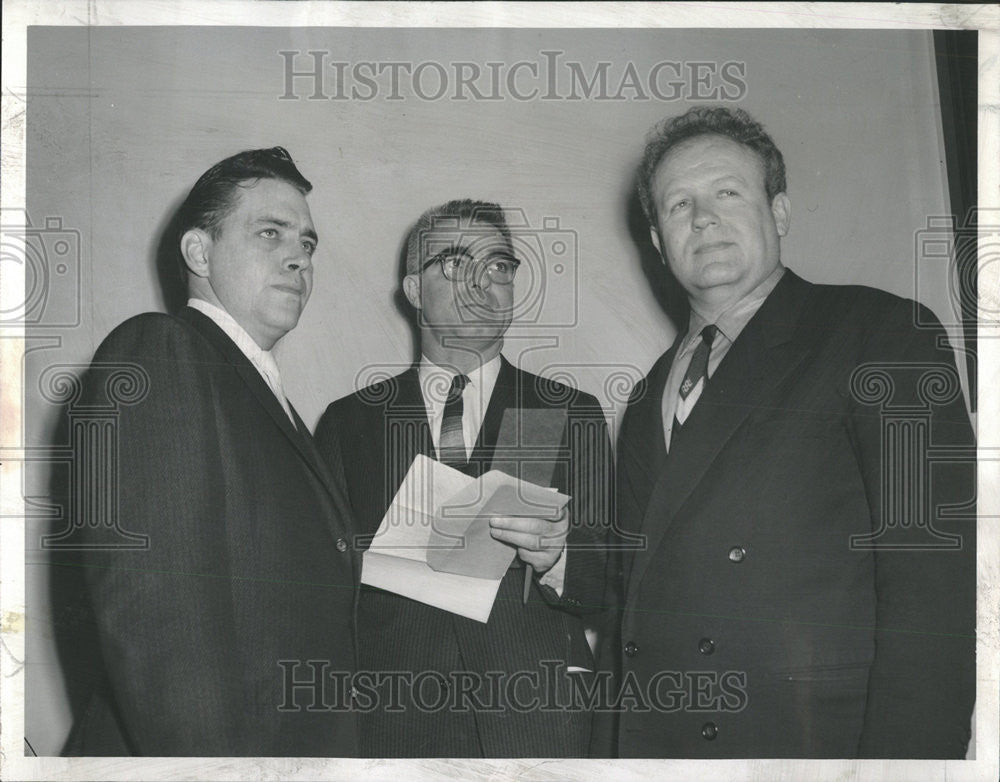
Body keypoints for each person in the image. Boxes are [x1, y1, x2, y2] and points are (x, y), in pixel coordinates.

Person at [613, 107, 976, 758]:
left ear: (779, 213)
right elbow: (642, 583)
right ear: (658, 240)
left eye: (727, 192)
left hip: (816, 741)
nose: (703, 218)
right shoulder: (647, 397)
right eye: (678, 205)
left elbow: (933, 587)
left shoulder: (880, 333)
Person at [60, 147, 358, 756]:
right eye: (269, 232)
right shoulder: (160, 352)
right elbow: (158, 625)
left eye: (308, 242)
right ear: (199, 252)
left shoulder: (267, 399)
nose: (298, 256)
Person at [313, 199, 613, 757]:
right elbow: (322, 594)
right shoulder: (350, 422)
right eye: (454, 263)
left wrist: (560, 556)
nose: (481, 281)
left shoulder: (564, 410)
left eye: (499, 265)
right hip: (393, 727)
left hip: (535, 725)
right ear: (411, 288)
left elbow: (615, 578)